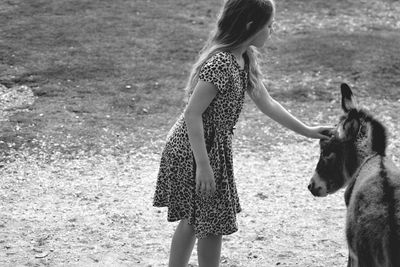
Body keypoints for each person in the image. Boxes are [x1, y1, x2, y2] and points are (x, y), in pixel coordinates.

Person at [153, 0, 331, 266]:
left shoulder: (244, 57)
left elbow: (267, 102)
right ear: (251, 25)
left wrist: (307, 130)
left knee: (195, 216)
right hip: (195, 147)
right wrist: (203, 165)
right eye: (269, 25)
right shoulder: (222, 63)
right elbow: (193, 114)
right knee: (210, 222)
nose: (273, 29)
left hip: (208, 146)